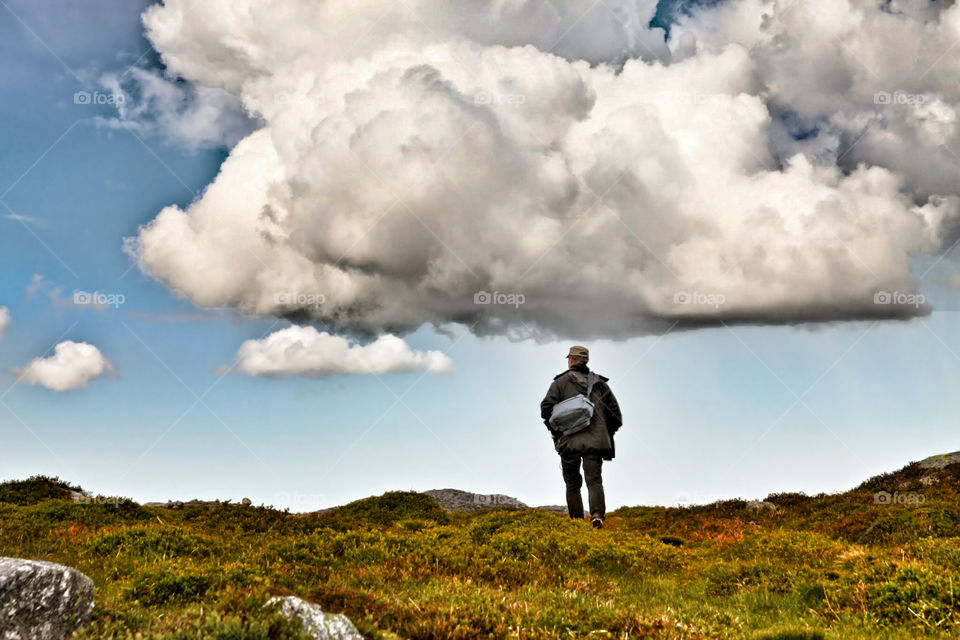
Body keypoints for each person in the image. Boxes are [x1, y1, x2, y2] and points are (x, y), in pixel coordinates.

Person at [540, 345, 622, 529]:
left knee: (572, 484)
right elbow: (616, 416)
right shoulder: (600, 384)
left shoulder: (560, 383)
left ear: (571, 360)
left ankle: (577, 524)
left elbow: (545, 409)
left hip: (568, 442)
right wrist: (603, 432)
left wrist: (555, 430)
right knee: (594, 480)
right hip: (595, 443)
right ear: (585, 361)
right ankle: (597, 516)